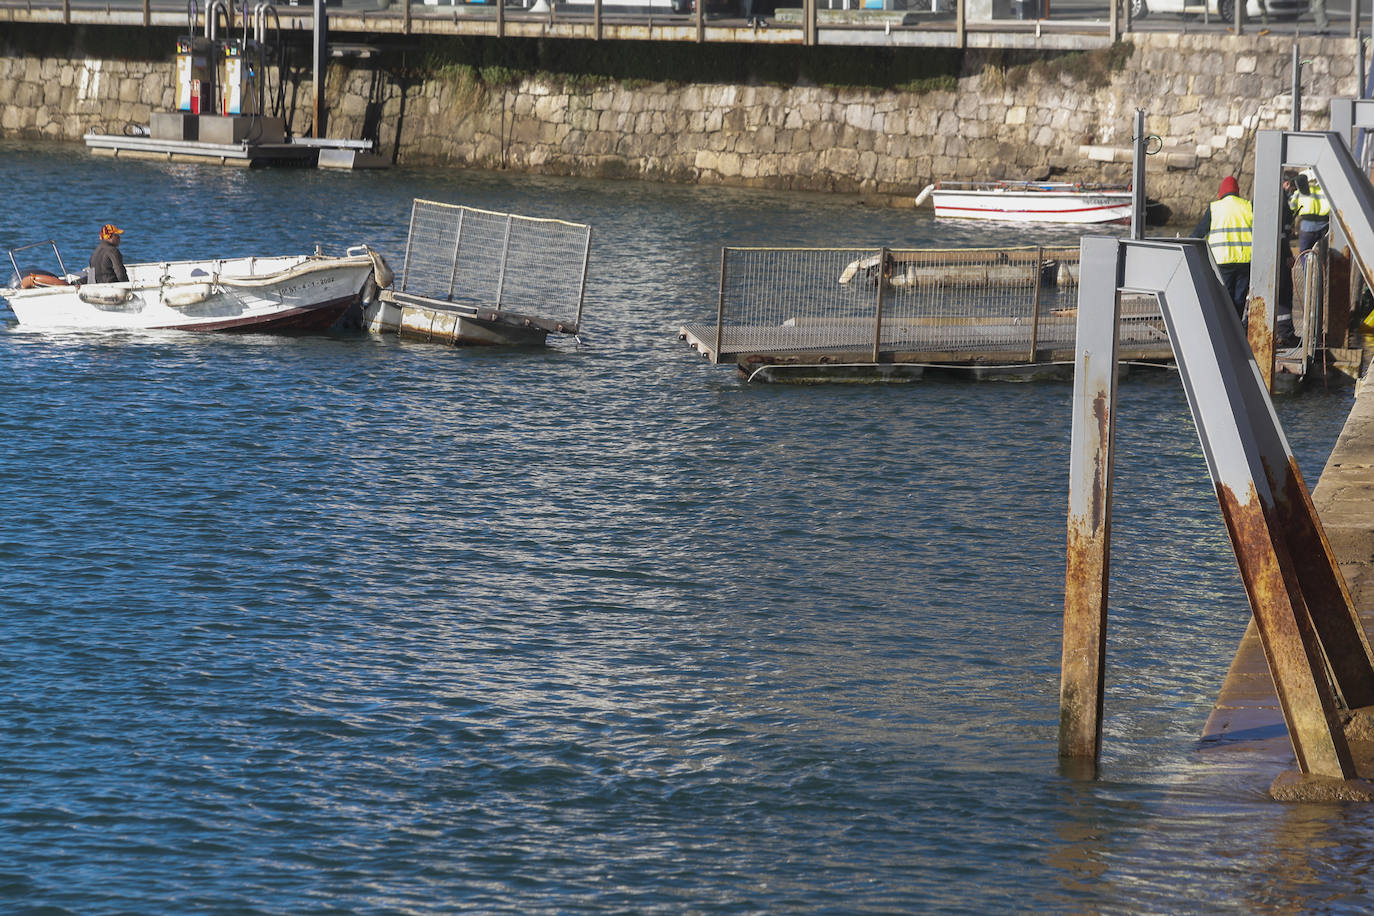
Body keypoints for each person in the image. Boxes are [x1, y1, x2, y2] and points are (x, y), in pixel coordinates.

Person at [1193, 175, 1253, 320]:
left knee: (1224, 298)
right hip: (1245, 261)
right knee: (1240, 298)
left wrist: (1184, 242)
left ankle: (1226, 326)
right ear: (1237, 191)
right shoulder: (1248, 206)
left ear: (1221, 192)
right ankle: (1237, 326)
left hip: (1222, 261)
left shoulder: (1214, 208)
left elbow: (1199, 232)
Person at [1289, 168, 1330, 258]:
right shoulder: (1325, 191)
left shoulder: (1300, 192)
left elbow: (1292, 207)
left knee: (1304, 253)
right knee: (1323, 255)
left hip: (1307, 227)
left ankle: (1306, 266)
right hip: (1324, 226)